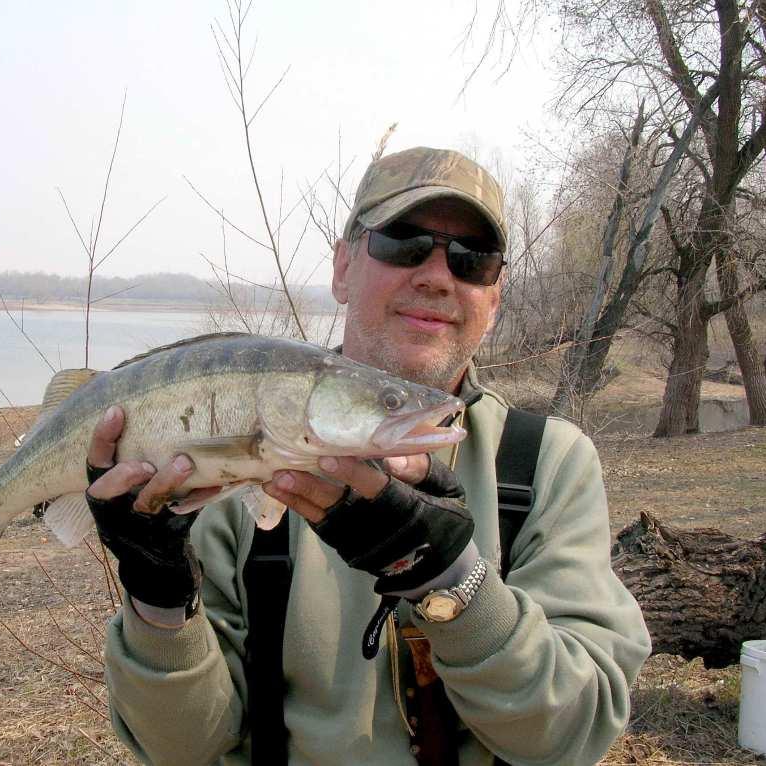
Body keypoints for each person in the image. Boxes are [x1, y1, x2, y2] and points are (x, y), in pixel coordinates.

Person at [83, 147, 651, 765]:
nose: (437, 276)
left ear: (495, 297)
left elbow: (568, 737)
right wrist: (160, 597)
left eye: (472, 259)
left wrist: (452, 579)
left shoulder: (548, 464)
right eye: (404, 242)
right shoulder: (229, 470)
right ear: (343, 265)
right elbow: (184, 747)